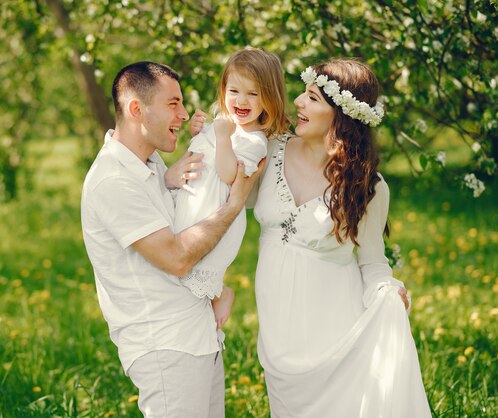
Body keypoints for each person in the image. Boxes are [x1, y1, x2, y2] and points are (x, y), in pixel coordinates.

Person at [80, 61, 262, 418]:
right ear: (137, 110)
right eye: (172, 104)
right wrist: (233, 204)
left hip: (197, 334)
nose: (183, 114)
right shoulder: (112, 181)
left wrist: (167, 182)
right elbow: (177, 257)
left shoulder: (149, 165)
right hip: (165, 345)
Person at [251, 59, 432, 417]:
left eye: (313, 98)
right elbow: (224, 200)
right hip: (279, 336)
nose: (299, 103)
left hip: (337, 336)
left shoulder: (369, 187)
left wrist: (387, 290)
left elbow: (373, 262)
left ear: (341, 116)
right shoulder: (269, 152)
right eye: (303, 93)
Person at [173, 47, 290, 329]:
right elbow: (201, 151)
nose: (241, 100)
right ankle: (212, 297)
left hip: (214, 215)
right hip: (192, 204)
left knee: (196, 265)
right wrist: (200, 131)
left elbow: (228, 175)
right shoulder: (223, 125)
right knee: (178, 259)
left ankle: (220, 294)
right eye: (234, 90)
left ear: (268, 100)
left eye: (253, 94)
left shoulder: (253, 141)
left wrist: (222, 136)